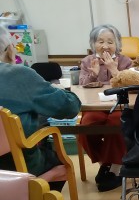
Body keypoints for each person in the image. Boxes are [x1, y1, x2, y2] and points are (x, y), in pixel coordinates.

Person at [0, 25, 81, 190]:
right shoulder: (18, 75)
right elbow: (70, 107)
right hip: (16, 167)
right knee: (56, 160)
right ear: (9, 49)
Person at [78, 24, 133, 191]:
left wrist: (115, 71)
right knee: (86, 125)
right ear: (93, 43)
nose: (105, 46)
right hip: (95, 106)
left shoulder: (126, 61)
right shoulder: (87, 61)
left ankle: (115, 168)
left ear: (117, 44)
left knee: (117, 123)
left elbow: (134, 86)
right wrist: (93, 74)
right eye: (100, 41)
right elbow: (81, 85)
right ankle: (105, 163)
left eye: (110, 42)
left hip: (120, 106)